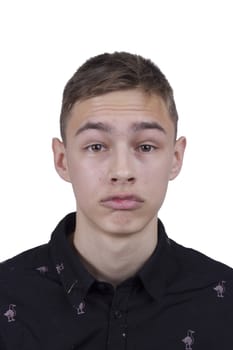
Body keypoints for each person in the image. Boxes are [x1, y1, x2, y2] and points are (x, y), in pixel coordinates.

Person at [0, 52, 233, 350]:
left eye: (146, 146)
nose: (122, 172)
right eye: (96, 146)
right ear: (62, 160)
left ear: (175, 158)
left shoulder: (224, 302)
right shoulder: (7, 296)